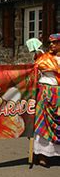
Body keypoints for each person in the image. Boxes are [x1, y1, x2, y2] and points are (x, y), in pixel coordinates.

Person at [33, 33, 60, 167]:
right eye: (50, 42)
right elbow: (33, 73)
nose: (52, 45)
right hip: (45, 92)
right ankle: (42, 154)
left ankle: (55, 153)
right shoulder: (43, 59)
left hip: (59, 93)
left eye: (55, 42)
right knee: (43, 122)